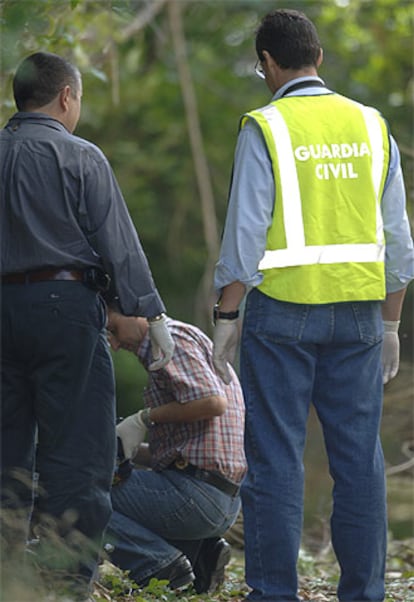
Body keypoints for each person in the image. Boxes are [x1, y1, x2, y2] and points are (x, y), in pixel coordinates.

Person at [212, 9, 414, 602]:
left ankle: (274, 593)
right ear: (319, 57)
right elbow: (399, 243)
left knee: (275, 457)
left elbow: (243, 236)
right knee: (360, 458)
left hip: (281, 316)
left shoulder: (266, 126)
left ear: (269, 64)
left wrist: (227, 318)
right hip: (358, 316)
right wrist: (392, 323)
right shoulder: (372, 126)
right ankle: (365, 593)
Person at [0, 52, 174, 601]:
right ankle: (65, 583)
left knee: (4, 450)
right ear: (67, 97)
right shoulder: (80, 156)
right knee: (77, 452)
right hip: (64, 309)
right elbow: (118, 243)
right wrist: (151, 312)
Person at [104, 309, 247, 594]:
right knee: (115, 478)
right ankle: (199, 556)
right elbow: (188, 447)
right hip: (220, 497)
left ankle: (159, 564)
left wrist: (143, 418)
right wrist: (123, 449)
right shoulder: (182, 338)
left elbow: (212, 403)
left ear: (131, 311)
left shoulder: (169, 341)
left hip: (196, 496)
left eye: (114, 329)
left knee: (76, 493)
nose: (115, 345)